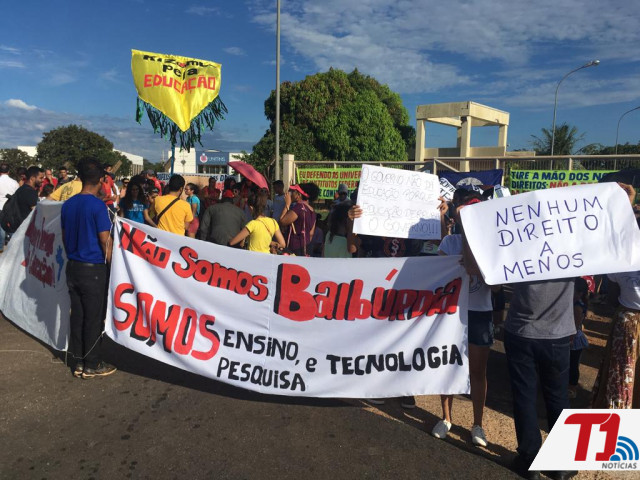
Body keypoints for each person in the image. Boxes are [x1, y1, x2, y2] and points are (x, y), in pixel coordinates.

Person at [432, 190, 496, 447]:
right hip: (451, 313)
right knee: (447, 366)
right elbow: (436, 275)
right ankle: (446, 417)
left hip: (480, 313)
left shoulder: (491, 244)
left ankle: (477, 424)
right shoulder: (449, 242)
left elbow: (497, 287)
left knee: (478, 371)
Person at [505, 277, 576, 479]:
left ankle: (529, 459)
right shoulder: (573, 253)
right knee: (558, 397)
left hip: (521, 329)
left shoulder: (518, 251)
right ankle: (561, 463)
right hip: (558, 331)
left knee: (524, 395)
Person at [61, 157, 116, 379]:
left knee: (78, 315)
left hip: (73, 266)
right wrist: (113, 267)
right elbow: (105, 241)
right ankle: (92, 364)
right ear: (101, 180)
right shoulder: (98, 206)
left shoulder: (68, 204)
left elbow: (64, 237)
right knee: (93, 317)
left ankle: (79, 362)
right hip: (93, 269)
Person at [592, 183, 639, 409]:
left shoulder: (623, 258)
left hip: (627, 321)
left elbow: (612, 297)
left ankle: (619, 418)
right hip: (627, 321)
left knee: (622, 374)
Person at [280, 184, 316, 256]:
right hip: (306, 247)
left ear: (298, 195)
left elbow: (282, 221)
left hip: (295, 248)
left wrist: (287, 204)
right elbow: (311, 233)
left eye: (292, 191)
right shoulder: (312, 210)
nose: (289, 194)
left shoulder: (298, 208)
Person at [568, 278, 589, 400]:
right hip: (573, 336)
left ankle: (572, 388)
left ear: (579, 293)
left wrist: (570, 339)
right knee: (571, 363)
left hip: (574, 338)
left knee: (573, 364)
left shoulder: (577, 307)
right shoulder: (577, 303)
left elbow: (575, 325)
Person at [0, 163, 19, 252]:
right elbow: (17, 195)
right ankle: (13, 247)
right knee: (10, 227)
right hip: (10, 208)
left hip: (0, 207)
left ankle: (0, 248)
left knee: (1, 228)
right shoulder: (14, 182)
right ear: (8, 171)